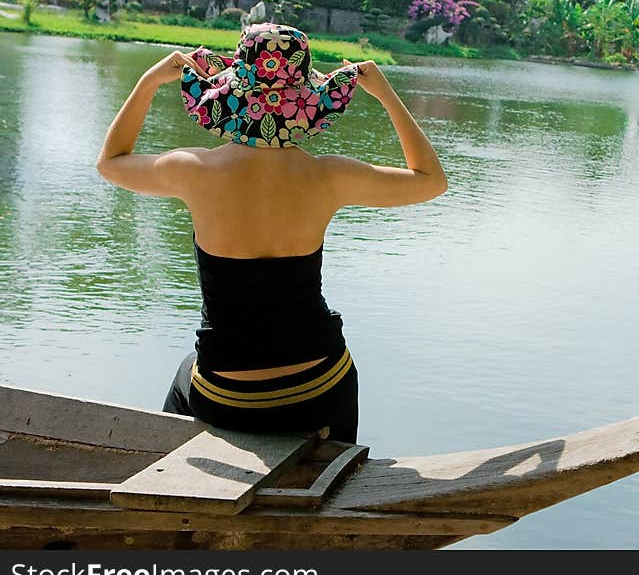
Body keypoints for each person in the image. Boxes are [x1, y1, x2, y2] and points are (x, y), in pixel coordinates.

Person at [95, 23, 447, 443]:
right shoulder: (328, 176)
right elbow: (430, 180)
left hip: (226, 392)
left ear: (232, 91)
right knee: (338, 380)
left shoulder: (193, 171)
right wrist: (387, 95)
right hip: (318, 386)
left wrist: (149, 80)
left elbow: (111, 161)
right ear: (306, 102)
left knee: (184, 374)